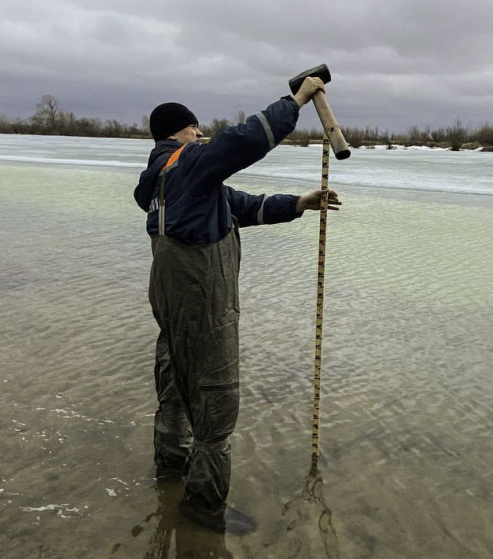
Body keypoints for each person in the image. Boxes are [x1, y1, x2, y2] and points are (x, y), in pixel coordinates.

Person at [133, 77, 341, 534]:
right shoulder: (185, 163)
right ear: (182, 132)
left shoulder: (164, 178)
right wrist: (297, 101)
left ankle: (170, 468)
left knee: (174, 384)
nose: (201, 136)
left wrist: (298, 203)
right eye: (195, 130)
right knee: (215, 399)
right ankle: (203, 504)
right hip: (202, 305)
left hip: (170, 304)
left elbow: (236, 205)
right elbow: (241, 141)